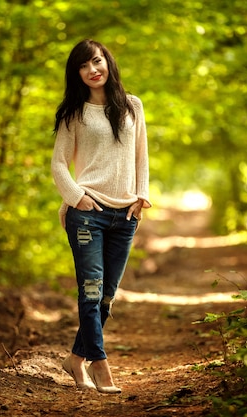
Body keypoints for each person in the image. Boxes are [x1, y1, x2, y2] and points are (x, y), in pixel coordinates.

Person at [51, 39, 151, 394]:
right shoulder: (73, 113)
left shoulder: (132, 107)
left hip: (125, 215)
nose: (92, 70)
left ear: (107, 62)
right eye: (83, 66)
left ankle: (76, 359)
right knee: (90, 291)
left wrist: (142, 196)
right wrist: (76, 198)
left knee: (107, 295)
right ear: (76, 73)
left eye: (96, 61)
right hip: (88, 213)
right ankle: (100, 366)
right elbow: (58, 164)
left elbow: (141, 157)